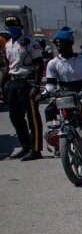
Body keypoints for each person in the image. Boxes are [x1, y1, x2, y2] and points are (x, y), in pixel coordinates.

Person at [4, 15, 45, 160]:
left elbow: (40, 63)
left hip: (28, 82)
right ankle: (25, 147)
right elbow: (9, 66)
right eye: (9, 26)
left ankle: (35, 149)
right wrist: (3, 84)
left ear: (20, 27)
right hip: (13, 83)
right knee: (15, 116)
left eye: (14, 26)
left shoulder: (29, 42)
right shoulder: (8, 44)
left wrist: (37, 85)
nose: (11, 28)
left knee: (32, 116)